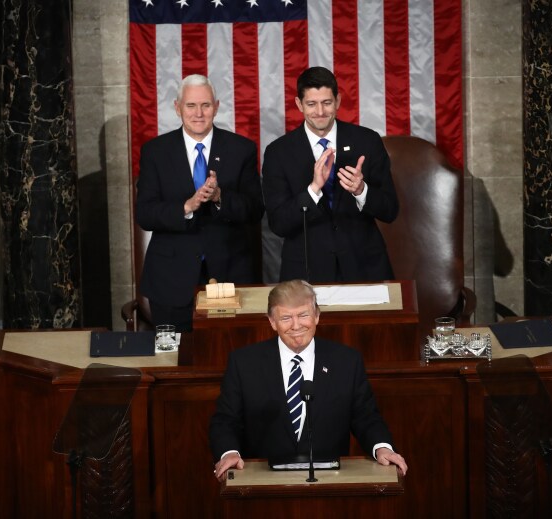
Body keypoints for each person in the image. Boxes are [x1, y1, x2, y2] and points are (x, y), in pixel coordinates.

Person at [210, 279, 408, 481]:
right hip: (264, 483)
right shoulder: (244, 363)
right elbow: (226, 420)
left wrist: (382, 447)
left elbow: (366, 417)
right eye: (286, 317)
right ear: (272, 322)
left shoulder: (346, 361)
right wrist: (229, 452)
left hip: (330, 481)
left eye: (303, 315)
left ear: (316, 316)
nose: (296, 326)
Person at [136, 74, 264, 331]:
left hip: (230, 274)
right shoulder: (155, 152)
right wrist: (186, 207)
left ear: (216, 107)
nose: (198, 113)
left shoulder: (242, 149)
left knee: (228, 359)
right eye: (190, 106)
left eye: (205, 105)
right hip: (171, 279)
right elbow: (145, 213)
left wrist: (220, 198)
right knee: (174, 361)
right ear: (177, 107)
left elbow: (255, 209)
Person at [262, 66, 399, 283]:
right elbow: (278, 224)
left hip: (364, 267)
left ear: (338, 101)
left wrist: (362, 191)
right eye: (311, 104)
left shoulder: (367, 141)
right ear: (299, 104)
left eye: (326, 103)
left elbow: (390, 210)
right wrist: (313, 190)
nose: (320, 111)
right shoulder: (278, 152)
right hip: (306, 274)